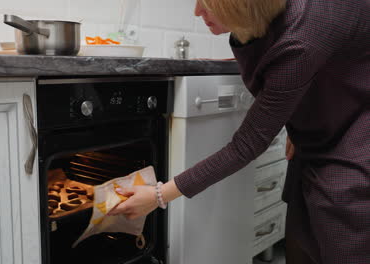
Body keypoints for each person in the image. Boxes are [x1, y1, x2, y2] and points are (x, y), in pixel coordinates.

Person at [108, 0, 370, 263]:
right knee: (304, 236)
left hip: (356, 136)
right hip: (327, 124)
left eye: (206, 4)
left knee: (341, 223)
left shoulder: (300, 38)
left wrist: (158, 195)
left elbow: (247, 144)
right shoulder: (274, 23)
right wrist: (300, 117)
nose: (197, 12)